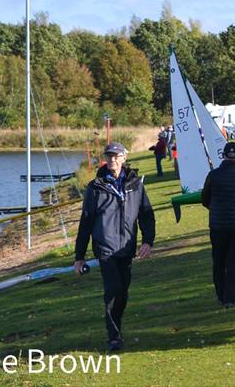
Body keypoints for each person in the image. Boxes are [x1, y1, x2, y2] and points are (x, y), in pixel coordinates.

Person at [74, 142, 155, 351]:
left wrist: (148, 241)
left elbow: (146, 214)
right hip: (105, 247)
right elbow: (86, 222)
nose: (112, 160)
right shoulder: (95, 187)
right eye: (109, 156)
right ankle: (114, 337)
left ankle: (116, 326)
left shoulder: (135, 184)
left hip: (126, 247)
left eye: (116, 156)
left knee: (123, 292)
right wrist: (79, 255)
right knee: (113, 289)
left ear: (124, 158)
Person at [202, 142, 235, 308]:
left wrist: (214, 208)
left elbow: (205, 197)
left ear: (223, 155)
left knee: (219, 260)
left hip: (218, 224)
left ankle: (221, 294)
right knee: (234, 262)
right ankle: (230, 297)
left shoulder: (213, 175)